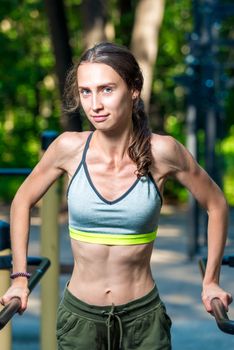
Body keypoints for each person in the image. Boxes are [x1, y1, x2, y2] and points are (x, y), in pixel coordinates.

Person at [0, 42, 232, 350]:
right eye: (86, 91)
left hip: (143, 321)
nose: (94, 104)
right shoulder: (68, 148)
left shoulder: (163, 151)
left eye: (106, 89)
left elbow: (216, 204)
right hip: (79, 320)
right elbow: (22, 201)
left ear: (134, 89)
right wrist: (19, 277)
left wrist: (211, 280)